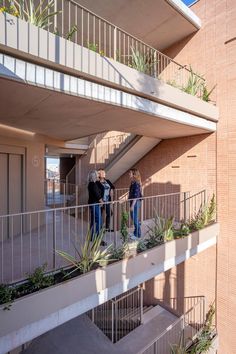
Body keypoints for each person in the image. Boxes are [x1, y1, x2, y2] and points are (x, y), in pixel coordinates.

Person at [87, 170, 106, 245]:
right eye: (97, 174)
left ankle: (91, 236)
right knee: (99, 221)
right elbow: (97, 195)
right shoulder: (93, 184)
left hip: (92, 204)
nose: (98, 175)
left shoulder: (91, 184)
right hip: (94, 204)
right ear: (94, 176)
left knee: (93, 220)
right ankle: (98, 239)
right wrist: (102, 202)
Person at [128, 168, 142, 240]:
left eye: (130, 173)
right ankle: (135, 232)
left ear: (134, 174)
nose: (129, 174)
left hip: (135, 202)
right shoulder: (133, 182)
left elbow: (136, 195)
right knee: (134, 217)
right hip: (133, 202)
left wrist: (132, 205)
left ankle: (137, 234)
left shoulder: (136, 183)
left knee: (134, 218)